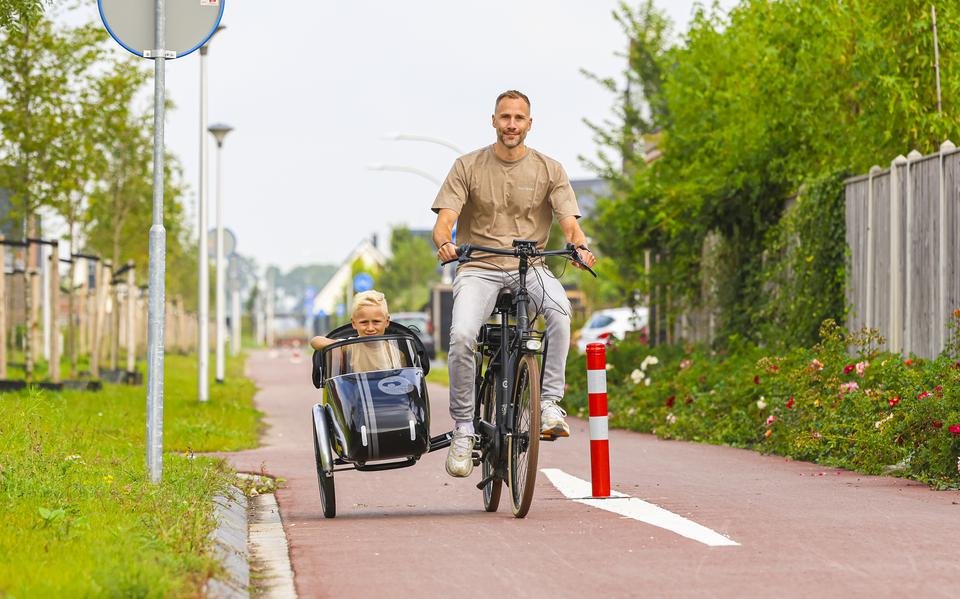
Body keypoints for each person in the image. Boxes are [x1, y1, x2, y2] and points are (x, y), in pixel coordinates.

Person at [431, 89, 597, 477]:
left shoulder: (549, 169)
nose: (511, 124)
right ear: (493, 120)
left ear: (529, 124)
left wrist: (579, 246)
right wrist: (445, 243)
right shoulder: (467, 166)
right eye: (504, 117)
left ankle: (550, 404)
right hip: (479, 266)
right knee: (462, 335)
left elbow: (570, 223)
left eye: (518, 118)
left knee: (559, 312)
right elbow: (445, 220)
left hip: (531, 264)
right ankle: (463, 428)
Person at [310, 290, 401, 373]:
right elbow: (315, 341)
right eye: (364, 322)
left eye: (376, 322)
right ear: (354, 323)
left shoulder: (395, 352)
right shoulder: (350, 346)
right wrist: (336, 347)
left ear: (387, 321)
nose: (370, 328)